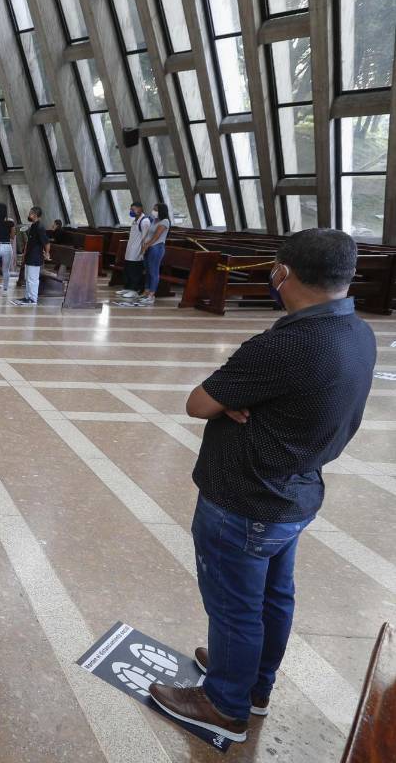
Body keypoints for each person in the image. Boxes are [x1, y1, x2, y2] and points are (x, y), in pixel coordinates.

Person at [149, 229, 375, 743]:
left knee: (234, 607)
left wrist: (231, 399)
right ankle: (254, 685)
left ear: (281, 273)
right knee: (273, 598)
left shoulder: (287, 345)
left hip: (244, 498)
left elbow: (198, 402)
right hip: (295, 494)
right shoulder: (357, 332)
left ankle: (224, 703)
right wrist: (239, 399)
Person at [13, 206, 49, 307]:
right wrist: (25, 255)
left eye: (30, 213)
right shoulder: (33, 226)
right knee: (28, 278)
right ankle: (27, 296)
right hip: (30, 256)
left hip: (35, 257)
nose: (29, 215)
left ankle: (33, 298)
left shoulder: (40, 227)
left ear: (35, 215)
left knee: (33, 279)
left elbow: (46, 243)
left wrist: (47, 253)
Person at [138, 202, 171, 306]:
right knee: (147, 271)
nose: (154, 211)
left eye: (156, 209)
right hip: (149, 247)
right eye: (154, 209)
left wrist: (147, 245)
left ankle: (151, 295)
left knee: (153, 272)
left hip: (157, 248)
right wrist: (143, 244)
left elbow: (156, 236)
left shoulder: (165, 221)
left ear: (161, 211)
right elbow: (148, 234)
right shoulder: (155, 220)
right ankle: (146, 292)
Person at [119, 202, 150, 300]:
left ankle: (135, 290)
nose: (131, 211)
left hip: (137, 250)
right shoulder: (135, 220)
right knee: (128, 269)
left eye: (133, 209)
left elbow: (146, 238)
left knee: (135, 270)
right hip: (130, 249)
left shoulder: (145, 221)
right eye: (131, 209)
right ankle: (128, 288)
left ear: (140, 209)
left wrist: (143, 251)